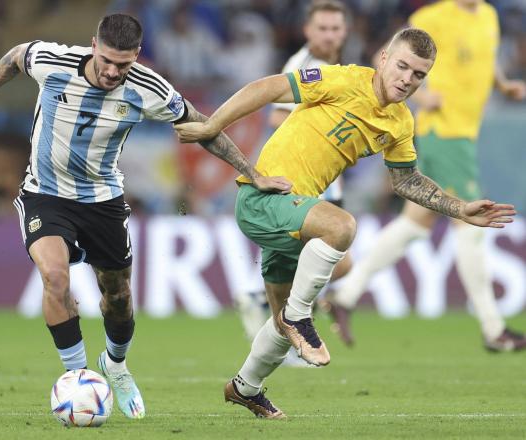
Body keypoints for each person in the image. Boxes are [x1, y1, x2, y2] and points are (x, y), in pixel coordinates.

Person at [0, 13, 289, 420]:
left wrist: (252, 174)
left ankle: (114, 365)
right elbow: (13, 57)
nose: (113, 72)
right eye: (107, 61)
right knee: (55, 277)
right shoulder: (53, 61)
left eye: (124, 64)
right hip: (45, 193)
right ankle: (79, 379)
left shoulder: (148, 89)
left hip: (103, 199)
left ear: (136, 57)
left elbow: (204, 128)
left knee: (117, 296)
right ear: (94, 46)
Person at [175, 28, 516, 419]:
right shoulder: (343, 79)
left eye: (419, 74)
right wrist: (213, 125)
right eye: (402, 66)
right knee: (340, 227)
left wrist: (459, 209)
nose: (407, 79)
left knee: (279, 327)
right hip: (262, 198)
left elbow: (405, 180)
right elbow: (269, 87)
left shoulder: (401, 122)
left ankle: (245, 387)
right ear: (384, 58)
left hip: (296, 212)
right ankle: (300, 315)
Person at [325, 0, 526, 352]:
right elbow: (383, 59)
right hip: (444, 133)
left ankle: (345, 295)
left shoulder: (489, 16)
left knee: (414, 224)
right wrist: (422, 97)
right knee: (472, 221)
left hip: (464, 131)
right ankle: (493, 329)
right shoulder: (432, 18)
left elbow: (485, 57)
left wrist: (503, 83)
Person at [234, 0, 351, 368]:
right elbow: (277, 119)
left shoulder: (339, 69)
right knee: (337, 262)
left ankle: (281, 320)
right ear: (308, 31)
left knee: (324, 262)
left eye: (336, 28)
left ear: (344, 31)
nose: (330, 35)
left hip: (327, 180)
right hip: (303, 179)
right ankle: (273, 308)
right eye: (323, 28)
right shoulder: (303, 68)